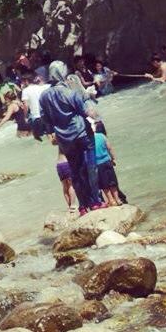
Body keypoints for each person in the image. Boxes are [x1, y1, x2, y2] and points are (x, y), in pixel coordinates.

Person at [40, 61, 105, 216]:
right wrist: (90, 100)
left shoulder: (44, 96)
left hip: (64, 139)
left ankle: (82, 206)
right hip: (82, 133)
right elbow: (85, 112)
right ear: (62, 73)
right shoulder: (70, 92)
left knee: (75, 171)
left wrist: (51, 132)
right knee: (90, 167)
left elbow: (45, 119)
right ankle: (95, 201)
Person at [93, 122, 123, 206]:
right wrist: (113, 159)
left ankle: (111, 200)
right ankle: (118, 199)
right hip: (107, 161)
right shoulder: (102, 136)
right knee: (112, 181)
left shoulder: (89, 139)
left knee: (104, 184)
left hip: (98, 164)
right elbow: (109, 148)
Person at [21, 74, 50, 141]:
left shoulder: (25, 91)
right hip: (46, 114)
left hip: (36, 117)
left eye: (22, 82)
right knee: (49, 134)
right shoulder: (40, 87)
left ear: (26, 81)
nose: (22, 84)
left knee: (38, 136)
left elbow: (26, 105)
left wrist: (25, 116)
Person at [52, 137, 77, 211]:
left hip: (59, 164)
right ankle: (73, 205)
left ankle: (69, 206)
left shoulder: (61, 138)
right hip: (66, 163)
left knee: (65, 186)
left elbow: (53, 142)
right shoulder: (69, 139)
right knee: (71, 185)